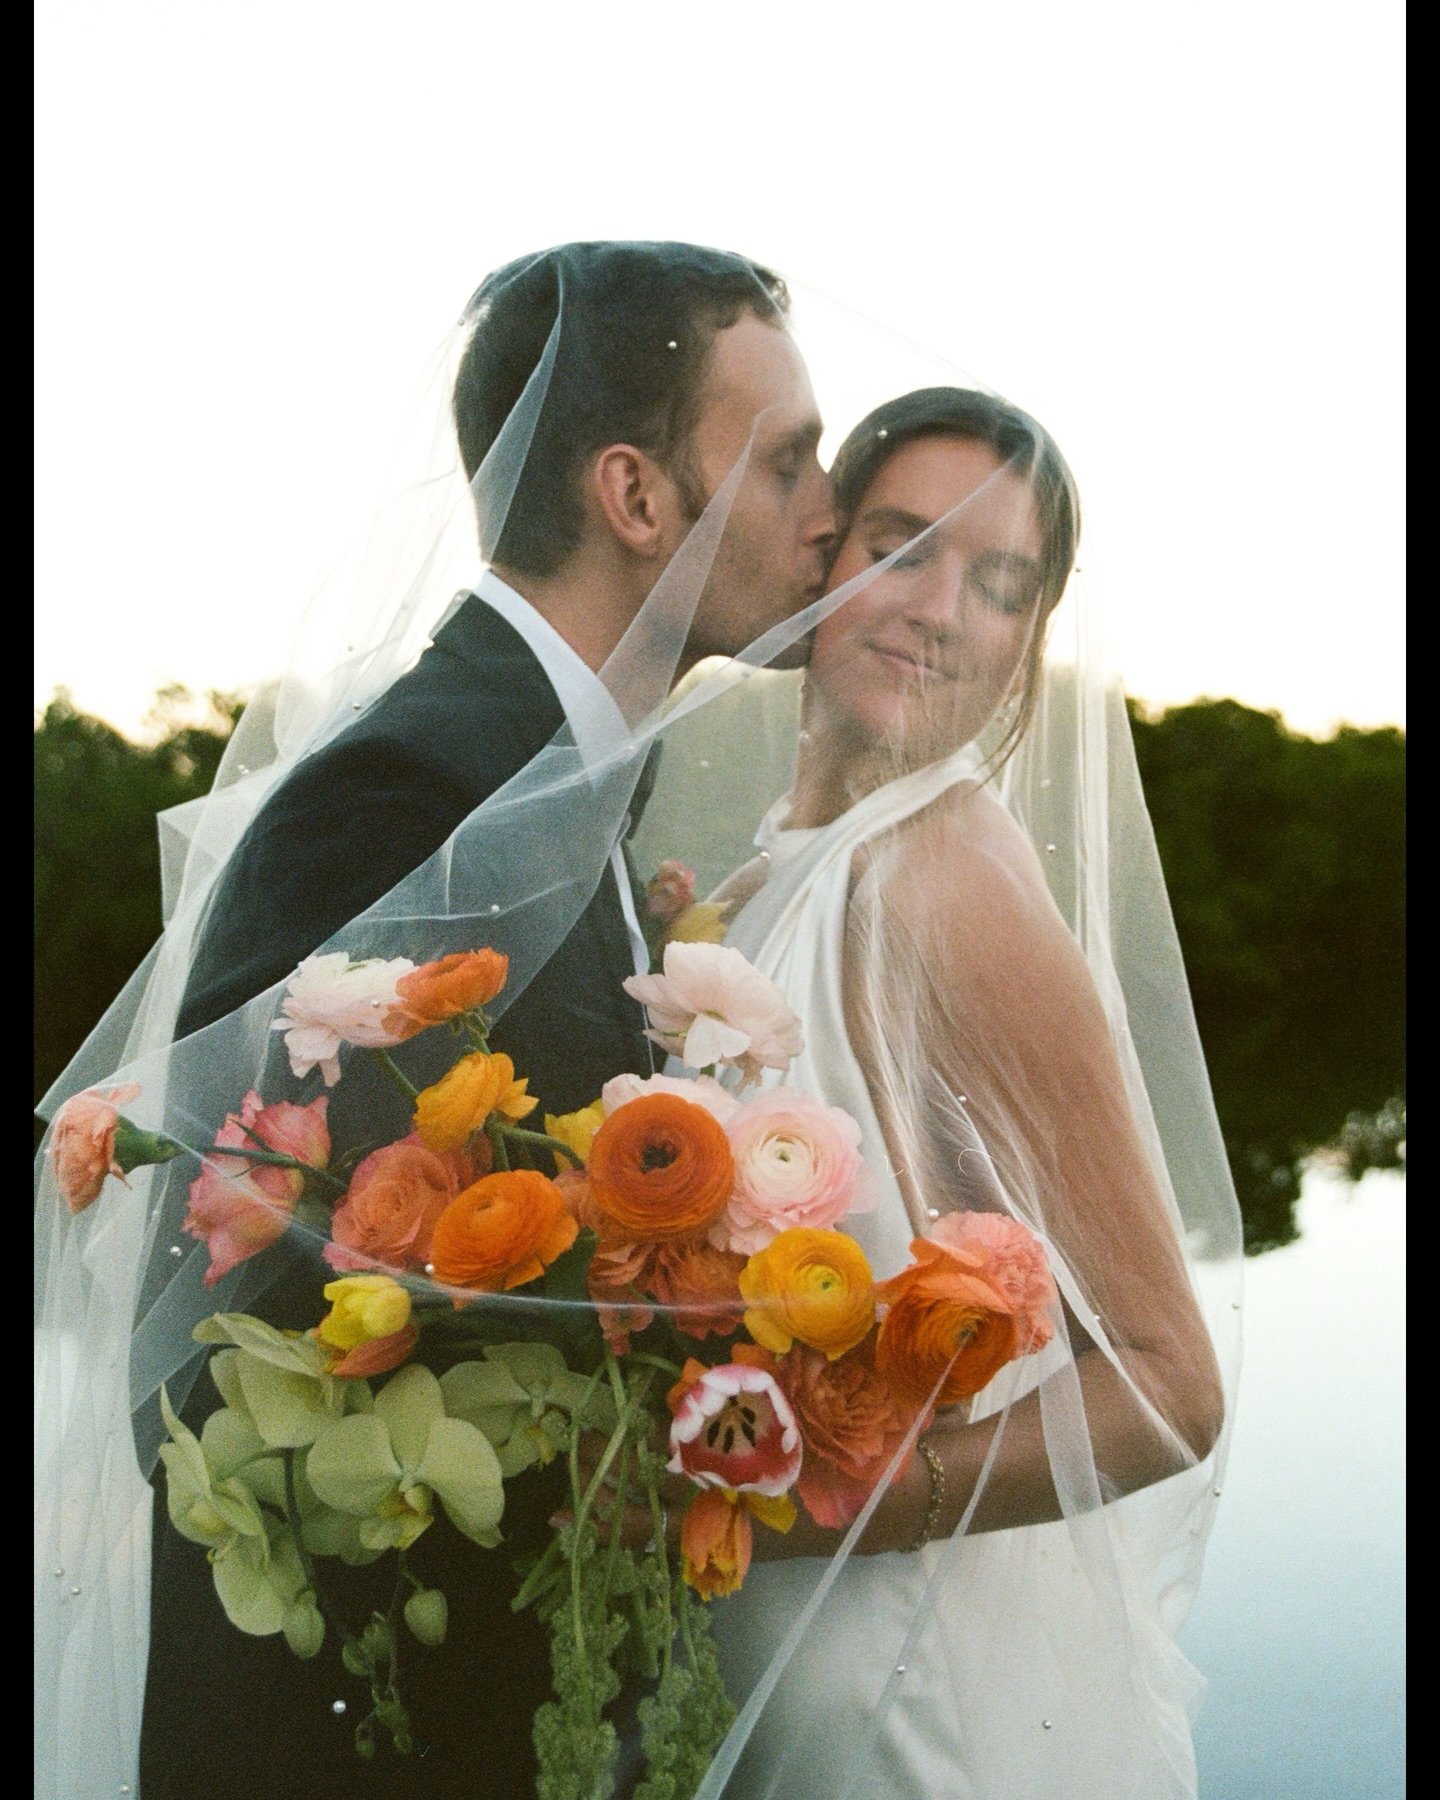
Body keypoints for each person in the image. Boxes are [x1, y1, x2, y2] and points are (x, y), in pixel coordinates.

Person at [36, 241, 836, 1799]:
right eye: (789, 455)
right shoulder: (414, 786)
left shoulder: (572, 772)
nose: (830, 506)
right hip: (366, 1723)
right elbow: (239, 1268)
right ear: (637, 496)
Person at [619, 386, 1242, 1797]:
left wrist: (837, 1503)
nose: (942, 609)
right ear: (821, 562)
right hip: (766, 1652)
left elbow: (1169, 1386)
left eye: (1001, 583)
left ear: (1028, 641)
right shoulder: (784, 867)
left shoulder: (951, 879)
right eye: (902, 547)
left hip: (913, 1687)